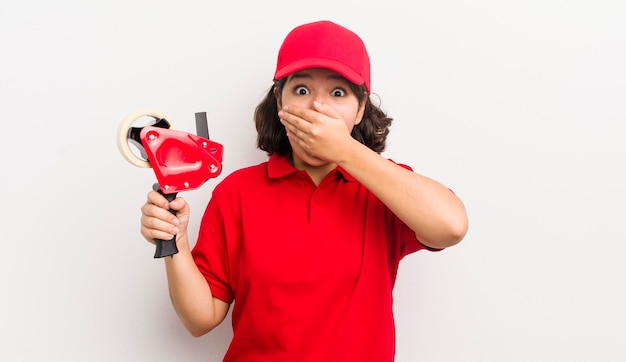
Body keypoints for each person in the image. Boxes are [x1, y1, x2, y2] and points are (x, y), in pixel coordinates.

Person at [139, 20, 468, 362]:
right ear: (280, 101)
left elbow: (452, 226)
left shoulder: (384, 189)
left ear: (360, 108)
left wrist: (345, 151)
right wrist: (174, 242)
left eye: (338, 93)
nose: (317, 108)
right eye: (301, 90)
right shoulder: (236, 193)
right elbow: (200, 318)